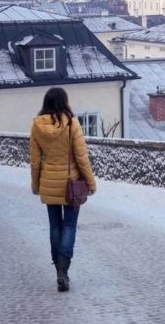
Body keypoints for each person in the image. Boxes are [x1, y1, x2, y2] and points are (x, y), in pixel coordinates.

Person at [30, 87, 97, 292]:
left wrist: (36, 184)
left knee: (54, 227)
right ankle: (63, 268)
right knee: (69, 226)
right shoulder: (72, 123)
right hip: (71, 183)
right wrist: (90, 182)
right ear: (64, 101)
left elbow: (34, 161)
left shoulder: (37, 125)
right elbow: (81, 157)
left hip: (49, 182)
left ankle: (57, 267)